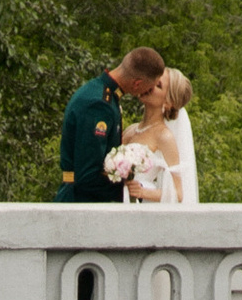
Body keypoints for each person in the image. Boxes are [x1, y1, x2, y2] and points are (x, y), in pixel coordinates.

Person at [57, 49, 164, 202]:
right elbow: (87, 175)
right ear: (137, 83)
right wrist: (126, 192)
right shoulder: (98, 105)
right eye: (149, 88)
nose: (147, 93)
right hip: (79, 204)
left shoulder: (100, 93)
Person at [119, 67, 198, 206]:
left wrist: (142, 192)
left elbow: (179, 193)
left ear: (168, 103)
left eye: (158, 85)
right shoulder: (132, 129)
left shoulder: (164, 136)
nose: (150, 85)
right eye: (152, 80)